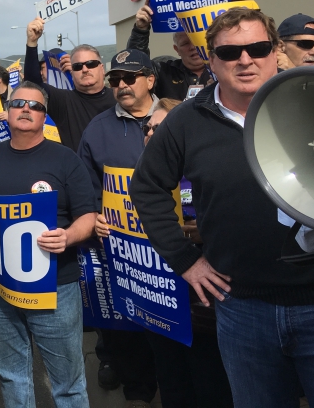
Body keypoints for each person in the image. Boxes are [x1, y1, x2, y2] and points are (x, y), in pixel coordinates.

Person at [131, 8, 314, 407]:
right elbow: (147, 188)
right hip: (242, 310)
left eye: (257, 47)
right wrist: (185, 261)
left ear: (275, 51)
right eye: (230, 52)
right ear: (212, 60)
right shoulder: (187, 121)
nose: (245, 59)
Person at [0, 81, 96, 408]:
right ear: (7, 112)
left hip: (54, 288)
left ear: (44, 116)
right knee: (12, 375)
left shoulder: (65, 159)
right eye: (18, 103)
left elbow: (88, 216)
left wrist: (68, 235)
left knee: (68, 383)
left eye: (35, 106)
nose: (26, 109)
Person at [95, 97, 233, 408]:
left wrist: (201, 229)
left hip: (203, 297)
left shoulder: (203, 171)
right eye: (149, 127)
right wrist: (105, 222)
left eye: (162, 127)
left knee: (209, 379)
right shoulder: (136, 178)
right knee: (172, 379)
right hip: (158, 297)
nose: (151, 133)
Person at [77, 48, 159, 408]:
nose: (121, 85)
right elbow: (85, 186)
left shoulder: (178, 116)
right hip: (123, 250)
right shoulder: (98, 129)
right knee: (129, 329)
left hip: (174, 247)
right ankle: (138, 391)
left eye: (130, 77)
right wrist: (93, 214)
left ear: (150, 80)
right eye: (115, 79)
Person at [124, 0, 251, 100]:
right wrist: (141, 30)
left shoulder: (225, 66)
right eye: (185, 43)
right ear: (176, 49)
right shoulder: (164, 72)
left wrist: (246, 9)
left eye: (196, 40)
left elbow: (250, 46)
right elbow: (134, 65)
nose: (193, 47)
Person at [23, 18, 116, 153]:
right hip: (79, 172)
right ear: (72, 72)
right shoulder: (64, 102)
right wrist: (32, 43)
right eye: (78, 66)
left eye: (91, 64)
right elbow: (33, 85)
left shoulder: (119, 98)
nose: (85, 69)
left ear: (102, 68)